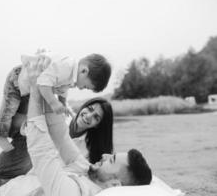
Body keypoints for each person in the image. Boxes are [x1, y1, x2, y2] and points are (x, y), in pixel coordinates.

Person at [0, 65, 113, 195]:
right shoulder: (64, 113)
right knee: (30, 115)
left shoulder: (85, 152)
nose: (89, 116)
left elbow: (66, 170)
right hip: (27, 142)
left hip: (34, 163)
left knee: (30, 125)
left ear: (98, 126)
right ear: (84, 106)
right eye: (90, 109)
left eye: (96, 117)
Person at [22, 63, 152, 195]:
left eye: (111, 160)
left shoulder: (74, 192)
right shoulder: (87, 170)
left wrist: (34, 89)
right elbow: (62, 138)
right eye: (89, 109)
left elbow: (42, 153)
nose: (104, 155)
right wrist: (46, 86)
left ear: (115, 184)